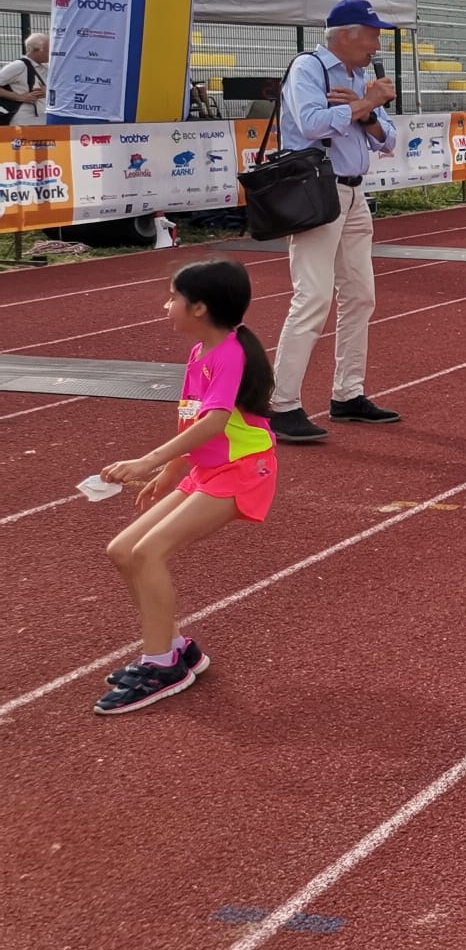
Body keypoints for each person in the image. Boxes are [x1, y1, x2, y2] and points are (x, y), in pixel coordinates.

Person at [94, 260, 277, 715]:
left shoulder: (229, 354)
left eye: (172, 297)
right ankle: (176, 649)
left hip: (243, 470)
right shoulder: (200, 353)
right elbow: (195, 420)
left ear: (199, 307)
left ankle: (160, 665)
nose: (165, 305)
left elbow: (216, 421)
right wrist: (170, 473)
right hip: (208, 470)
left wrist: (149, 459)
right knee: (123, 549)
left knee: (148, 552)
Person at [267, 0, 401, 444]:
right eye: (373, 33)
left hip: (354, 192)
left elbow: (389, 138)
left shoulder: (359, 78)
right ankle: (281, 402)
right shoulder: (309, 68)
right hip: (318, 192)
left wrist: (366, 110)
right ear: (346, 33)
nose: (378, 42)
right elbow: (309, 124)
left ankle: (348, 394)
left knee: (361, 295)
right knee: (313, 297)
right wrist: (365, 105)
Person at [0, 31, 49, 125]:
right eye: (47, 50)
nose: (51, 53)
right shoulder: (19, 66)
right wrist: (20, 97)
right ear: (36, 50)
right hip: (22, 121)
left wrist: (47, 91)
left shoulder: (45, 67)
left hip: (42, 119)